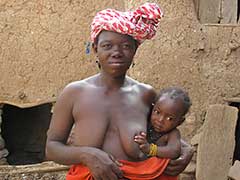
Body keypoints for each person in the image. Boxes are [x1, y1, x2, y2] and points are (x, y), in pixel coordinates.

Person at [45, 3, 193, 180]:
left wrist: (186, 149)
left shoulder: (145, 94)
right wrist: (87, 155)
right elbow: (52, 148)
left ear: (135, 50)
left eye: (126, 46)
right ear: (95, 49)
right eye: (107, 46)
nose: (117, 52)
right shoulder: (74, 93)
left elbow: (162, 130)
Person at [134, 87, 192, 167]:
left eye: (169, 118)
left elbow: (174, 151)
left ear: (180, 122)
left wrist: (151, 149)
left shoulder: (172, 134)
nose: (160, 120)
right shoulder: (145, 121)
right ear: (152, 108)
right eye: (157, 112)